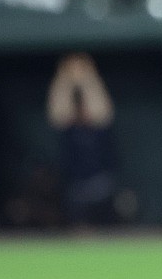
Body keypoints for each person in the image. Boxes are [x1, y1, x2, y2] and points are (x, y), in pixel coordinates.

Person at [46, 52, 118, 227]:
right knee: (78, 226)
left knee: (106, 227)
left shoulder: (98, 125)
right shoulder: (69, 126)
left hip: (101, 185)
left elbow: (102, 112)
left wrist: (88, 77)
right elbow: (58, 114)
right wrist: (64, 77)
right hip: (75, 187)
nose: (82, 110)